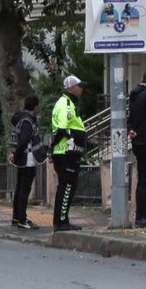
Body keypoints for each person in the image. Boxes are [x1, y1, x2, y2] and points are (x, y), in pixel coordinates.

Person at [51, 75, 88, 232]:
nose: (82, 89)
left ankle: (62, 220)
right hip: (66, 153)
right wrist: (52, 148)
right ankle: (61, 222)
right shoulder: (65, 104)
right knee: (67, 187)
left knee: (67, 187)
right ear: (71, 88)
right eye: (79, 86)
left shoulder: (69, 103)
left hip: (68, 153)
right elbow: (62, 130)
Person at [9, 95, 45, 230]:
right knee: (24, 190)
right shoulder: (27, 121)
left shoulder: (20, 118)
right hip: (28, 159)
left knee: (19, 189)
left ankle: (16, 217)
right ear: (35, 107)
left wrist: (16, 155)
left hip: (23, 159)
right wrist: (17, 156)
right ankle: (22, 219)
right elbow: (24, 141)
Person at [128, 70, 146, 227]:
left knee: (143, 179)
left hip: (139, 142)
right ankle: (141, 216)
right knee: (145, 180)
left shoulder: (135, 95)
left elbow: (131, 118)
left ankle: (142, 214)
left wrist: (131, 128)